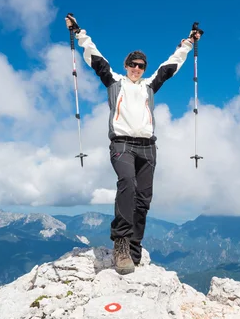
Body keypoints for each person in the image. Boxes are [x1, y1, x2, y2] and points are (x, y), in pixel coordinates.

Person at [65, 14, 202, 275]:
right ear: (126, 65)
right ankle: (121, 243)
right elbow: (96, 59)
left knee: (143, 199)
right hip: (122, 145)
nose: (137, 68)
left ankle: (134, 247)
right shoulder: (115, 82)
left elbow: (171, 65)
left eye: (140, 65)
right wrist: (78, 32)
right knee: (127, 183)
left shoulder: (150, 85)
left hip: (148, 146)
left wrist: (189, 43)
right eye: (132, 64)